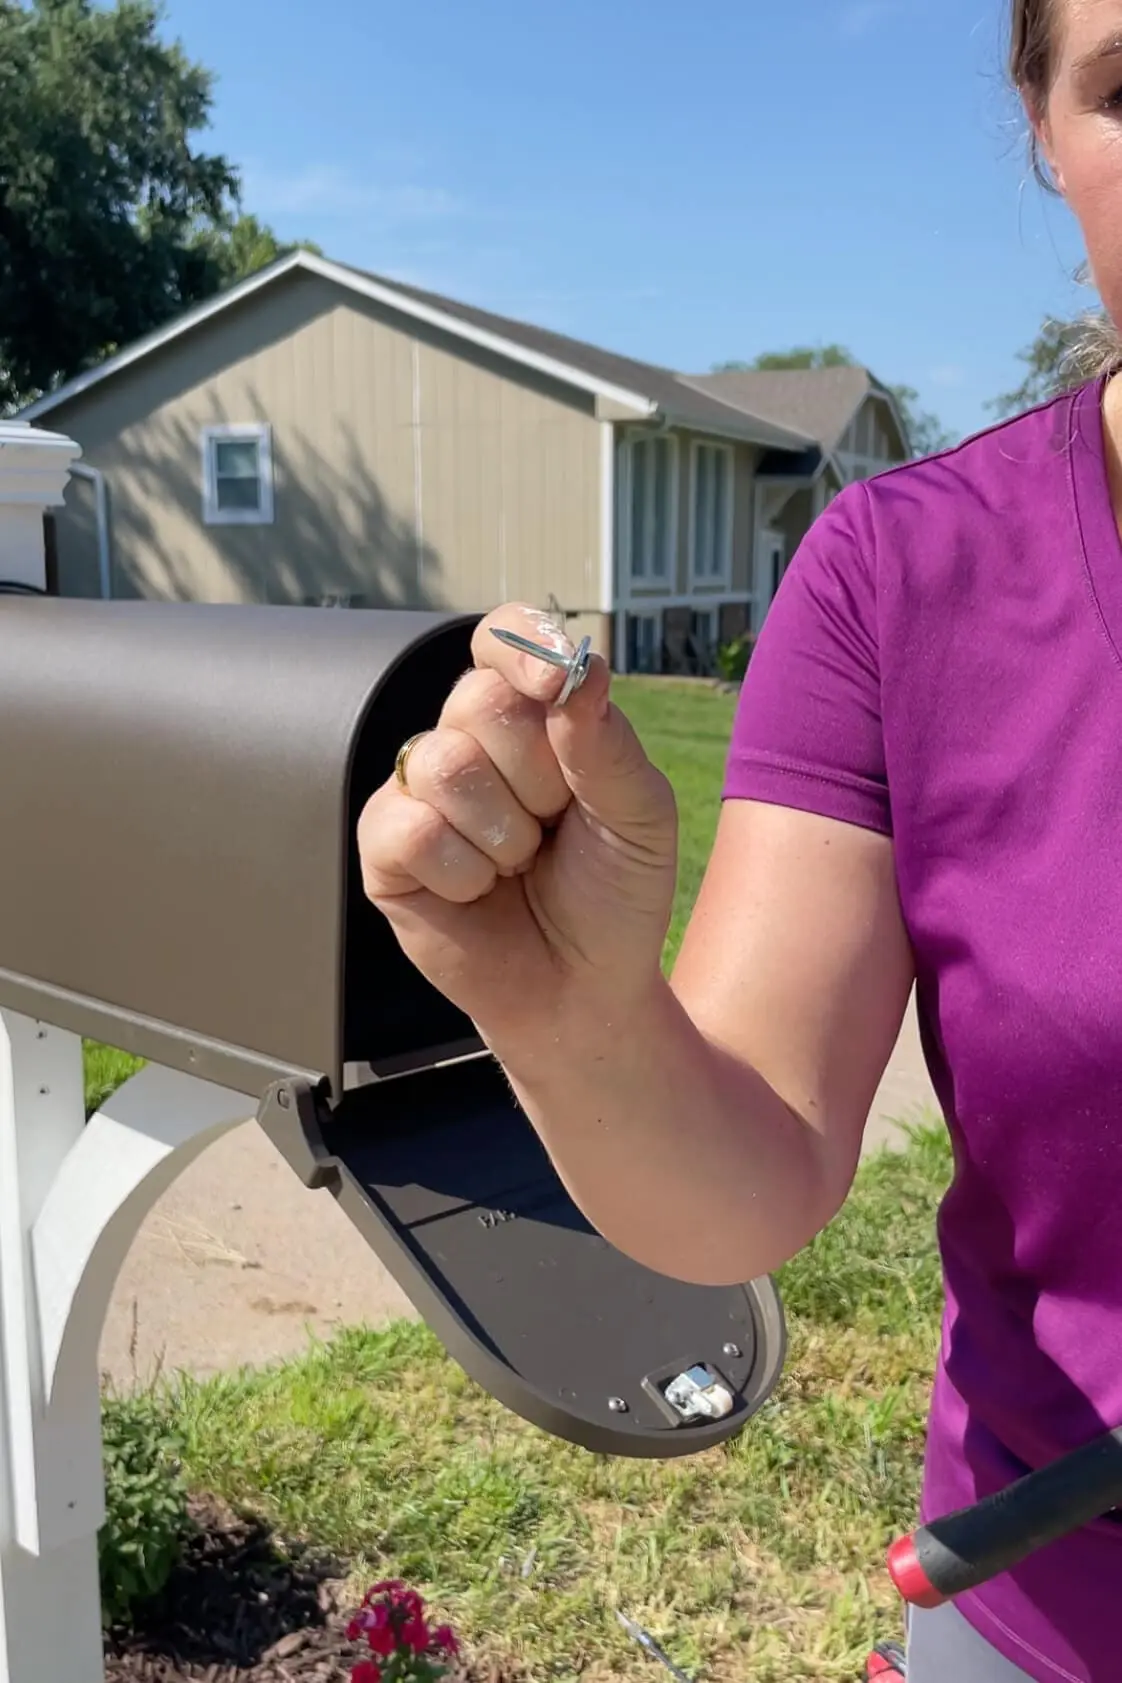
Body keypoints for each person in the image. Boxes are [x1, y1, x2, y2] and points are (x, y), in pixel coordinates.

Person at [357, 3, 1122, 1676]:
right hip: (1050, 1602)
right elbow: (742, 1179)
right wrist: (568, 1009)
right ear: (1045, 134)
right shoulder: (898, 579)